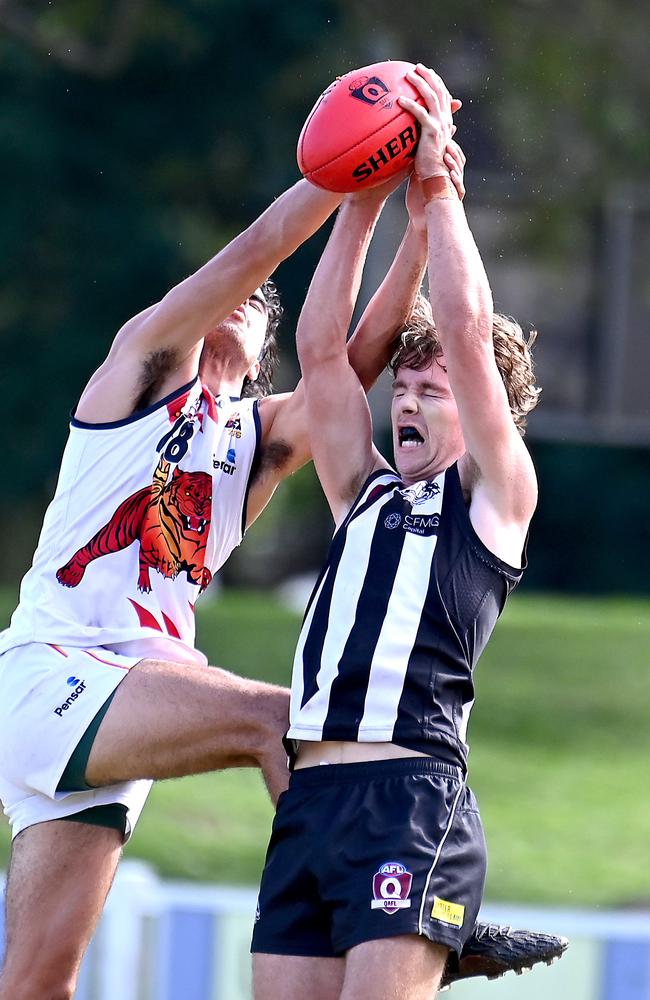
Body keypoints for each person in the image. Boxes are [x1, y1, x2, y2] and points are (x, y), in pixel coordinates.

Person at [0, 85, 562, 998]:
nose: (238, 301)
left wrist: (413, 223)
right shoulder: (141, 369)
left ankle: (406, 901)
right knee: (283, 717)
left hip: (131, 692)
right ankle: (396, 900)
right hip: (53, 666)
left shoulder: (257, 444)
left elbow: (354, 358)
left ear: (263, 357)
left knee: (35, 985)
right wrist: (359, 181)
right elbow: (261, 253)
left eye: (259, 306)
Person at [251, 64, 565, 1000]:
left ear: (485, 416)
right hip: (309, 806)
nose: (413, 401)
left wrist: (434, 191)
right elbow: (318, 355)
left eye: (436, 393)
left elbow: (470, 337)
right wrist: (362, 193)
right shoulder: (364, 493)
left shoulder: (494, 499)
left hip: (410, 803)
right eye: (407, 389)